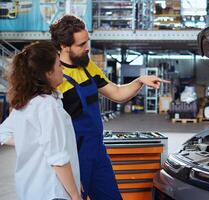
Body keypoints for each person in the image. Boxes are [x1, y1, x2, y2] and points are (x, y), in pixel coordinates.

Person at [49, 15, 169, 200]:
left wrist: (139, 82)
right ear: (64, 46)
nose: (87, 48)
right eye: (81, 45)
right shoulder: (54, 76)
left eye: (87, 41)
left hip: (97, 152)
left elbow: (117, 93)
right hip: (73, 157)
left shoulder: (87, 66)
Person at [0, 41, 81, 200]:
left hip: (32, 190)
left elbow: (2, 132)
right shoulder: (47, 105)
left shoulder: (26, 102)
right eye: (58, 65)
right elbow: (58, 158)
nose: (62, 69)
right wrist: (75, 194)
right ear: (48, 72)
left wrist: (32, 140)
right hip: (53, 191)